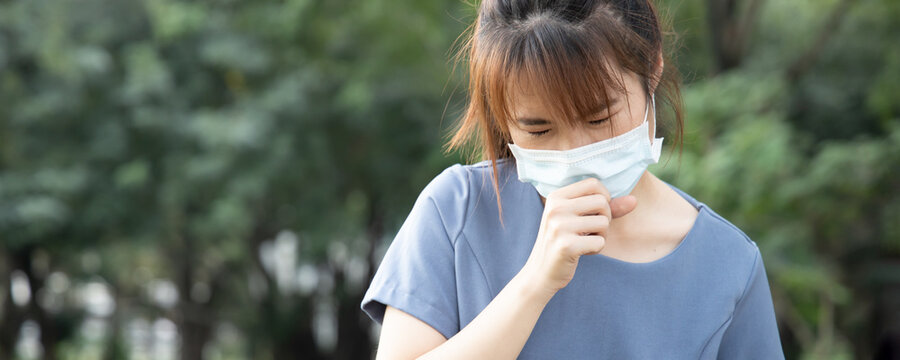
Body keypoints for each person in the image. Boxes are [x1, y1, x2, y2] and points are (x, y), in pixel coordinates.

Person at [360, 0, 784, 358]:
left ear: (651, 69)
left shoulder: (727, 266)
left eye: (599, 116)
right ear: (501, 116)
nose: (573, 153)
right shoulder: (455, 212)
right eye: (538, 130)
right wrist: (535, 284)